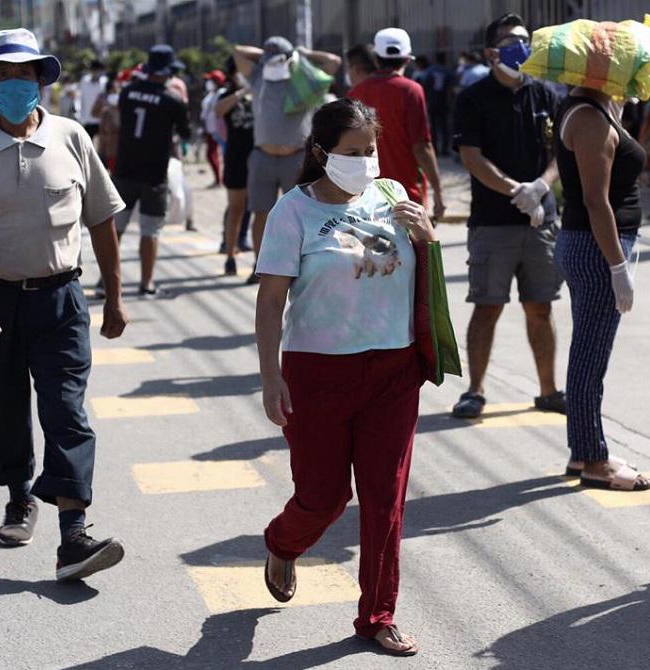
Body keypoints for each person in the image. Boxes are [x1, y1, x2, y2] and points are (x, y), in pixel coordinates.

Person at [0, 28, 130, 581]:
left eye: (25, 74)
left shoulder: (71, 137)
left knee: (67, 410)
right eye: (5, 75)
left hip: (61, 296)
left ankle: (74, 534)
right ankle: (19, 497)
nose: (16, 84)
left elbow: (102, 218)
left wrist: (114, 292)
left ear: (42, 80)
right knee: (6, 402)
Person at [256, 98, 434, 656]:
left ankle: (377, 615)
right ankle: (283, 543)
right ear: (321, 154)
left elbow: (421, 271)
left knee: (386, 497)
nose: (364, 161)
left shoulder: (395, 197)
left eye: (371, 150)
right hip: (316, 372)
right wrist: (269, 376)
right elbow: (270, 302)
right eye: (352, 152)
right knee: (324, 497)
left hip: (393, 369)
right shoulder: (292, 212)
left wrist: (427, 235)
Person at [451, 13, 565, 420]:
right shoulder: (474, 97)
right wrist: (514, 190)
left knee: (541, 306)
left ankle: (549, 390)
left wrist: (540, 187)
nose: (521, 47)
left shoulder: (547, 94)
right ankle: (475, 390)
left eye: (524, 40)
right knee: (488, 306)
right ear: (491, 52)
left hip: (540, 222)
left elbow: (559, 153)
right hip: (493, 222)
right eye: (511, 41)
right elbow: (471, 156)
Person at [553, 78, 650, 491]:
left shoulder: (596, 108)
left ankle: (583, 450)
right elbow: (597, 199)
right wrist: (617, 265)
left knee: (588, 354)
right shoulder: (589, 118)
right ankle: (594, 459)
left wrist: (619, 108)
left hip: (593, 245)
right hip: (596, 249)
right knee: (590, 358)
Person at [231, 36, 342, 285]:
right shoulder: (258, 75)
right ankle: (261, 267)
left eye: (279, 60)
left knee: (303, 215)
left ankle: (303, 265)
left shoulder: (303, 77)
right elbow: (238, 49)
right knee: (261, 214)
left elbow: (333, 62)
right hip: (262, 157)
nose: (275, 64)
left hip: (296, 159)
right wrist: (267, 55)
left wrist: (302, 53)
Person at [113, 44, 192, 297]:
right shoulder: (173, 99)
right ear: (169, 71)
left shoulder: (128, 92)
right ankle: (146, 284)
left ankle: (108, 283)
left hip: (125, 169)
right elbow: (186, 132)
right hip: (155, 173)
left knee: (116, 228)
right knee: (150, 230)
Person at [349, 27, 446, 221]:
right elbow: (422, 146)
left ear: (376, 59)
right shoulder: (411, 90)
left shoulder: (355, 93)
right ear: (407, 59)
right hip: (405, 195)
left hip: (366, 195)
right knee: (415, 250)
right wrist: (438, 192)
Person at [217, 57, 257, 277]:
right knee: (236, 209)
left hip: (259, 159)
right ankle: (230, 255)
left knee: (259, 211)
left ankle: (257, 260)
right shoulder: (227, 96)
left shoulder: (260, 93)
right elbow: (218, 111)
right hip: (235, 159)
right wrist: (241, 93)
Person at [199, 69, 227, 187]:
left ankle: (222, 180)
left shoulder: (221, 93)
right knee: (211, 154)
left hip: (219, 130)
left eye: (211, 80)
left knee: (221, 155)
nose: (208, 82)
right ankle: (218, 179)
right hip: (211, 130)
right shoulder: (211, 94)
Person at [423, 52, 455, 156]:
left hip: (432, 101)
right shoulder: (448, 71)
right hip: (444, 101)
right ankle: (445, 149)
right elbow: (451, 88)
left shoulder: (430, 71)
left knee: (433, 126)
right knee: (445, 126)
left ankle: (435, 149)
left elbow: (425, 86)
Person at [78, 59, 107, 138]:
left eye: (99, 70)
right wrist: (81, 117)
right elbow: (81, 99)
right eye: (95, 70)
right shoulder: (84, 81)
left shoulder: (105, 82)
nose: (97, 72)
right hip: (87, 120)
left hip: (101, 120)